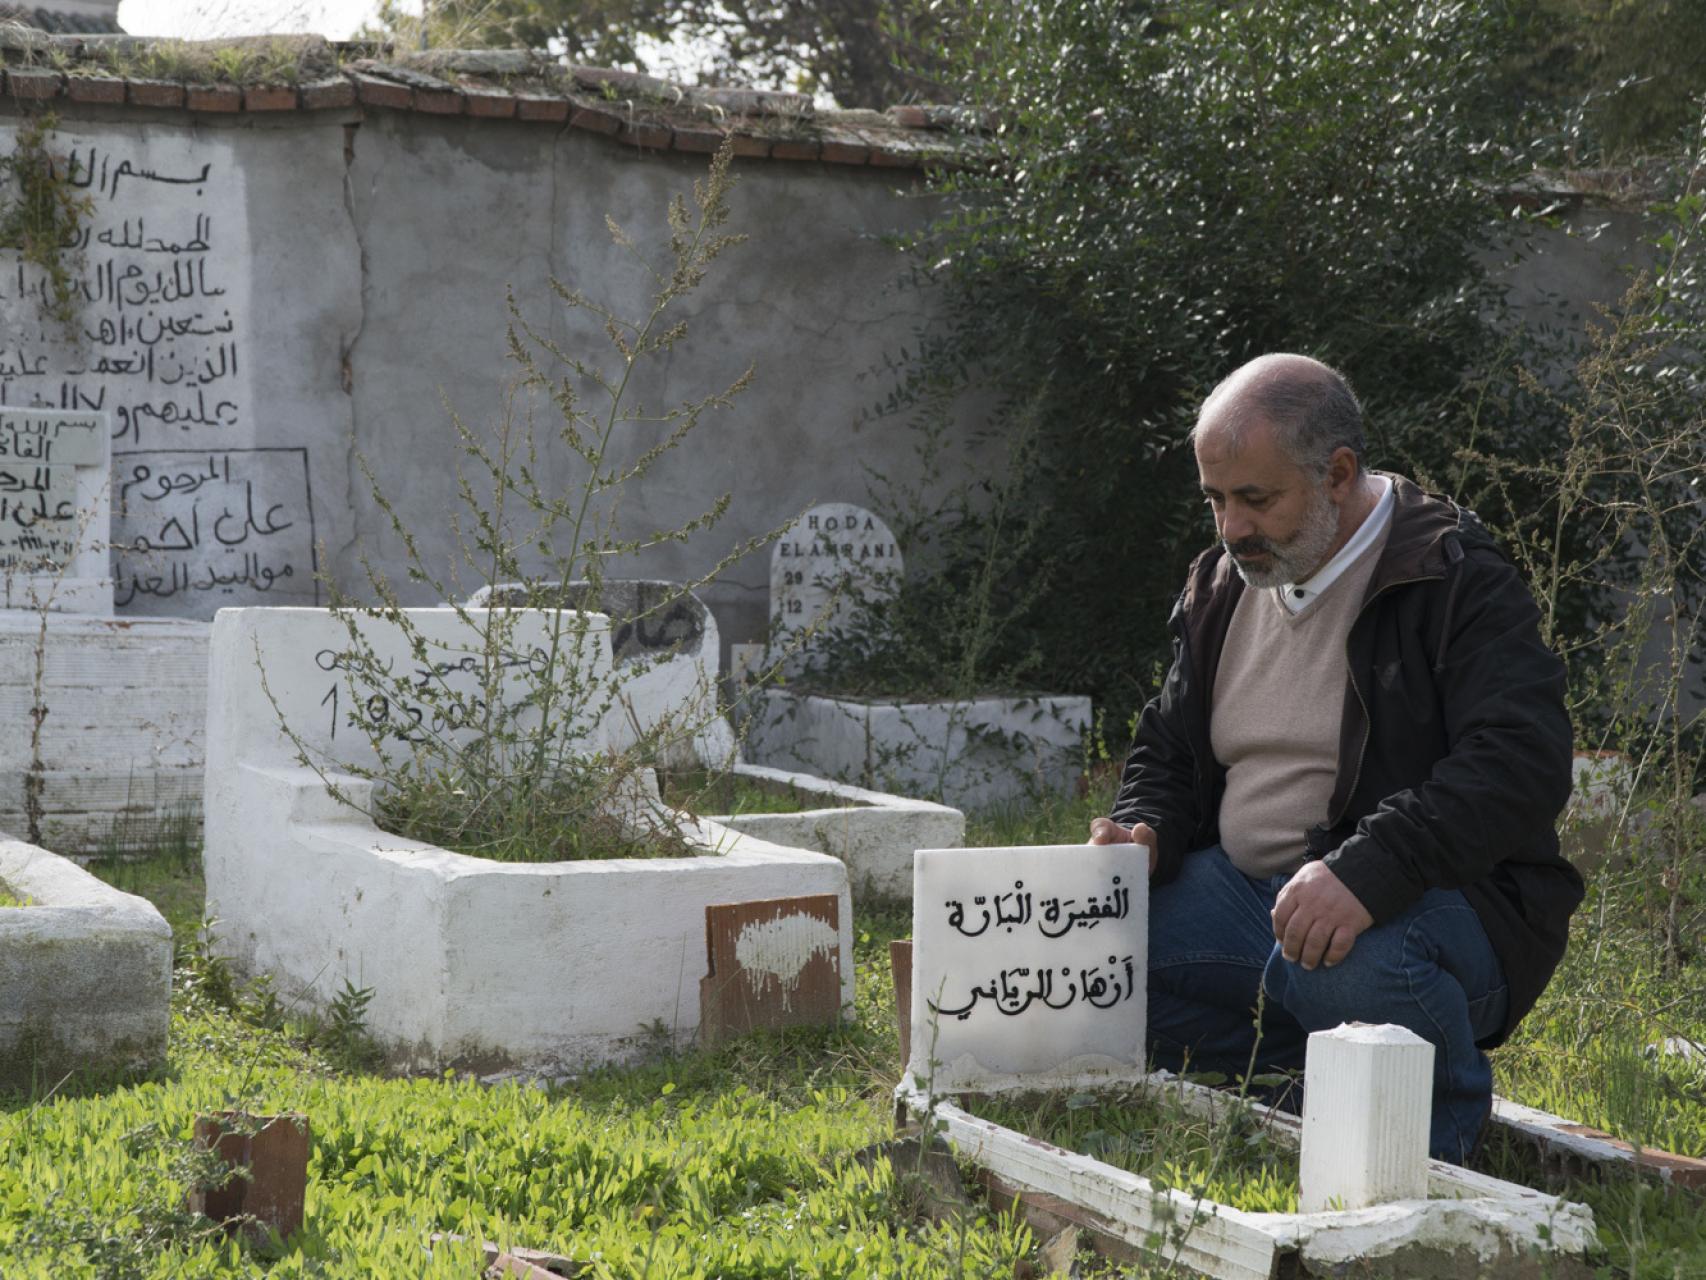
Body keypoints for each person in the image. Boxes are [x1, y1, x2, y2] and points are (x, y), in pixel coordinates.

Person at [1088, 353, 1583, 1163]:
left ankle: (1436, 1144)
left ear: (1339, 474)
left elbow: (1519, 762)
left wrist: (1368, 871)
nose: (1230, 528)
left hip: (1441, 904)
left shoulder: (1453, 575)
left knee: (1342, 964)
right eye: (1215, 499)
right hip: (1250, 898)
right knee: (1095, 948)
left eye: (1256, 499)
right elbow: (1168, 749)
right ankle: (1297, 1088)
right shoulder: (1221, 583)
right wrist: (1145, 829)